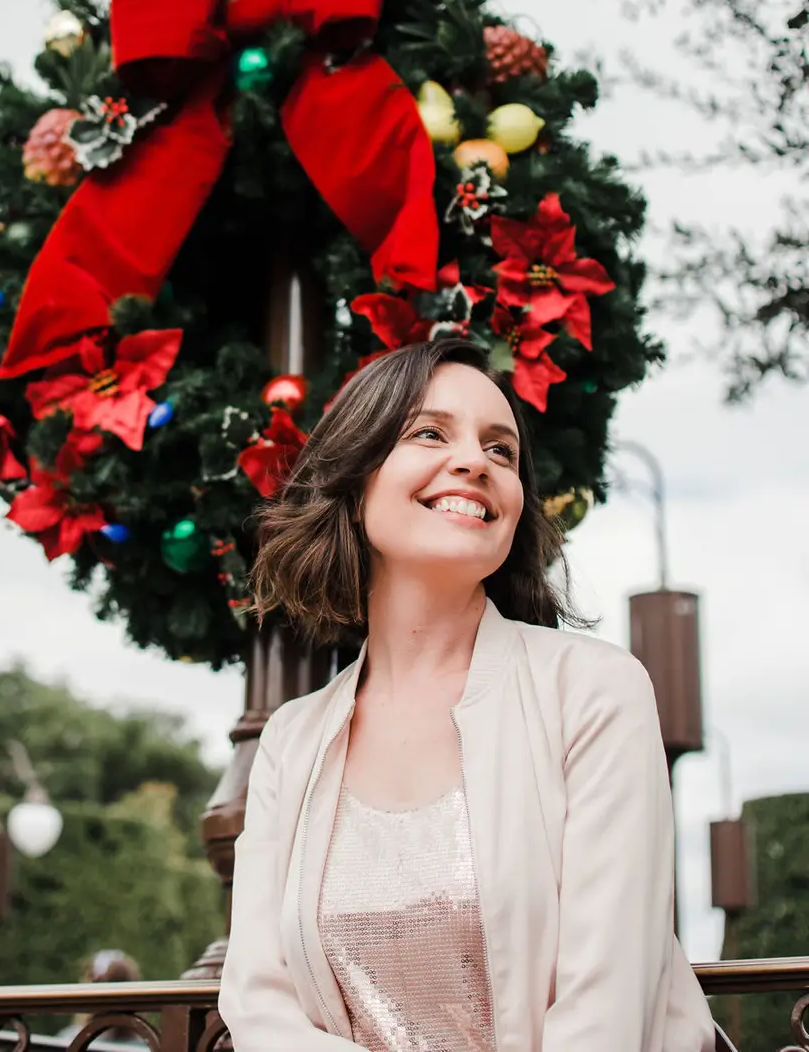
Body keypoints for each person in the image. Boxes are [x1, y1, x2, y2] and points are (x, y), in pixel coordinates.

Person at [218, 338, 715, 1052]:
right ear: (356, 485)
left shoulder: (595, 692)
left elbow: (605, 1013)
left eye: (501, 450)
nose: (475, 462)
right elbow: (259, 1004)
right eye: (429, 433)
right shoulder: (291, 741)